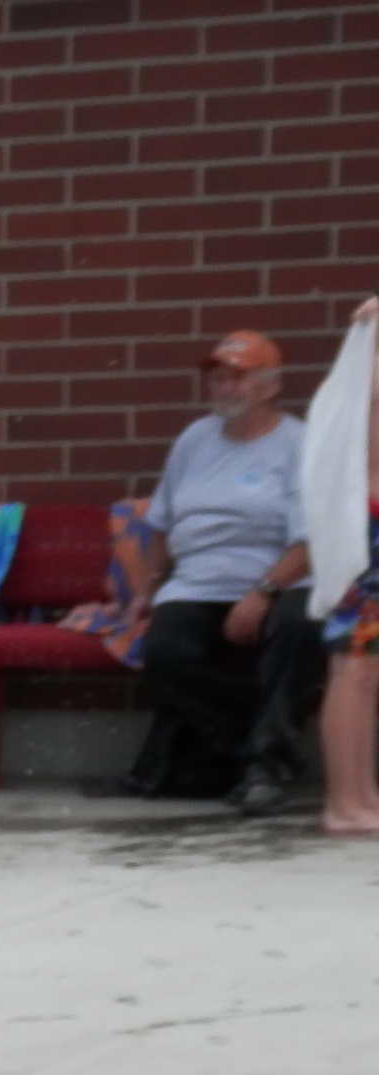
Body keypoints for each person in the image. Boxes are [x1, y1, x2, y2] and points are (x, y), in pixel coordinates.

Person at [93, 330, 323, 810]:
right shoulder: (194, 439)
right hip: (196, 583)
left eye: (237, 377)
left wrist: (261, 593)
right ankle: (256, 750)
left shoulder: (299, 443)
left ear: (271, 385)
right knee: (165, 651)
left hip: (281, 581)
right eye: (217, 378)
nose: (224, 387)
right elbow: (160, 526)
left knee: (298, 627)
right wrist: (145, 592)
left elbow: (311, 541)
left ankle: (264, 767)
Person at [315, 298, 379, 839]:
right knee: (353, 667)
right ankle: (343, 801)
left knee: (369, 671)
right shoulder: (367, 363)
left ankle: (363, 793)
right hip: (365, 531)